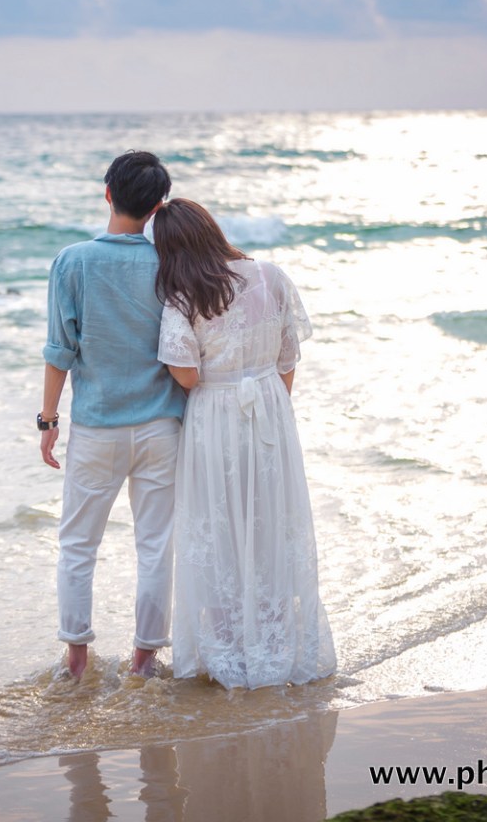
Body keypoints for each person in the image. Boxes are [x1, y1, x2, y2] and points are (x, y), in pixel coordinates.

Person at [153, 199, 336, 689]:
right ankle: (277, 643)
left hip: (216, 412)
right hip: (270, 408)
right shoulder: (270, 275)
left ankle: (231, 649)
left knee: (219, 530)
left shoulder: (182, 295)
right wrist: (272, 406)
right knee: (270, 523)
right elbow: (288, 353)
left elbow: (187, 376)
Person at [40, 151, 186, 680]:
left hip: (98, 426)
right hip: (161, 426)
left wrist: (48, 419)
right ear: (157, 206)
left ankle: (77, 659)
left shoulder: (72, 260)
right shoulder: (170, 264)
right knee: (155, 545)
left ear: (108, 194)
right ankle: (145, 658)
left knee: (78, 545)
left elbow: (61, 349)